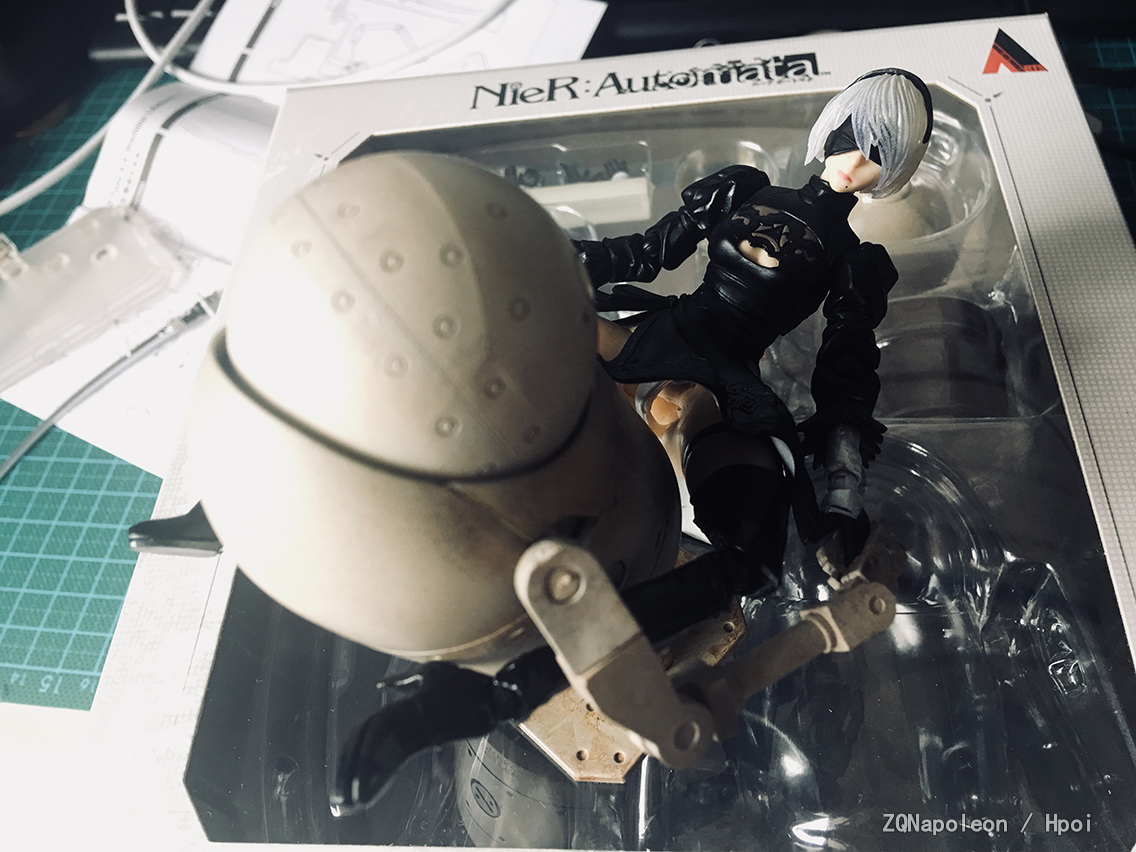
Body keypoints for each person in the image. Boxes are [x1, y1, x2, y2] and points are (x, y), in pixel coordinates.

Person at [575, 68, 933, 636]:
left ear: (894, 170)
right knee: (538, 326)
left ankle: (598, 636)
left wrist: (843, 485)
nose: (854, 160)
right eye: (850, 137)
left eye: (877, 154)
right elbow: (643, 253)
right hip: (666, 325)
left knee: (754, 559)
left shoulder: (853, 260)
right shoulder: (743, 188)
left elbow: (845, 366)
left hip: (729, 374)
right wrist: (543, 253)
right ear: (830, 128)